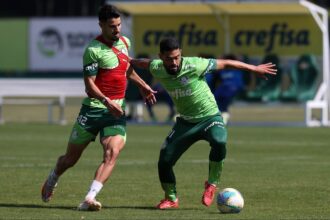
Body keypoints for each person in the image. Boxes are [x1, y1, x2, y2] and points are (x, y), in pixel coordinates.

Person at [130, 37, 276, 209]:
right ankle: (171, 198)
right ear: (160, 56)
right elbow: (136, 63)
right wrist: (131, 70)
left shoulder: (195, 64)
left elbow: (227, 63)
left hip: (210, 118)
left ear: (181, 53)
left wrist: (253, 68)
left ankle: (212, 184)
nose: (174, 62)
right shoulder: (156, 67)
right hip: (185, 122)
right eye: (169, 59)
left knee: (219, 141)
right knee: (164, 160)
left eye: (177, 57)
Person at [41, 5, 156, 211]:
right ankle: (52, 178)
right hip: (93, 110)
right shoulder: (92, 50)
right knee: (70, 159)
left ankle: (89, 198)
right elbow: (89, 86)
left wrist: (142, 84)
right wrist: (106, 101)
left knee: (112, 153)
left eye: (119, 25)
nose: (117, 30)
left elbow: (126, 68)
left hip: (116, 112)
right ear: (101, 25)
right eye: (112, 26)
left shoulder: (125, 43)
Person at [205, 54, 245, 124]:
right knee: (215, 102)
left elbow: (240, 60)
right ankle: (222, 116)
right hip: (223, 89)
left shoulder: (237, 70)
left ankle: (223, 116)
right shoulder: (222, 71)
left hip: (231, 89)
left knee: (221, 104)